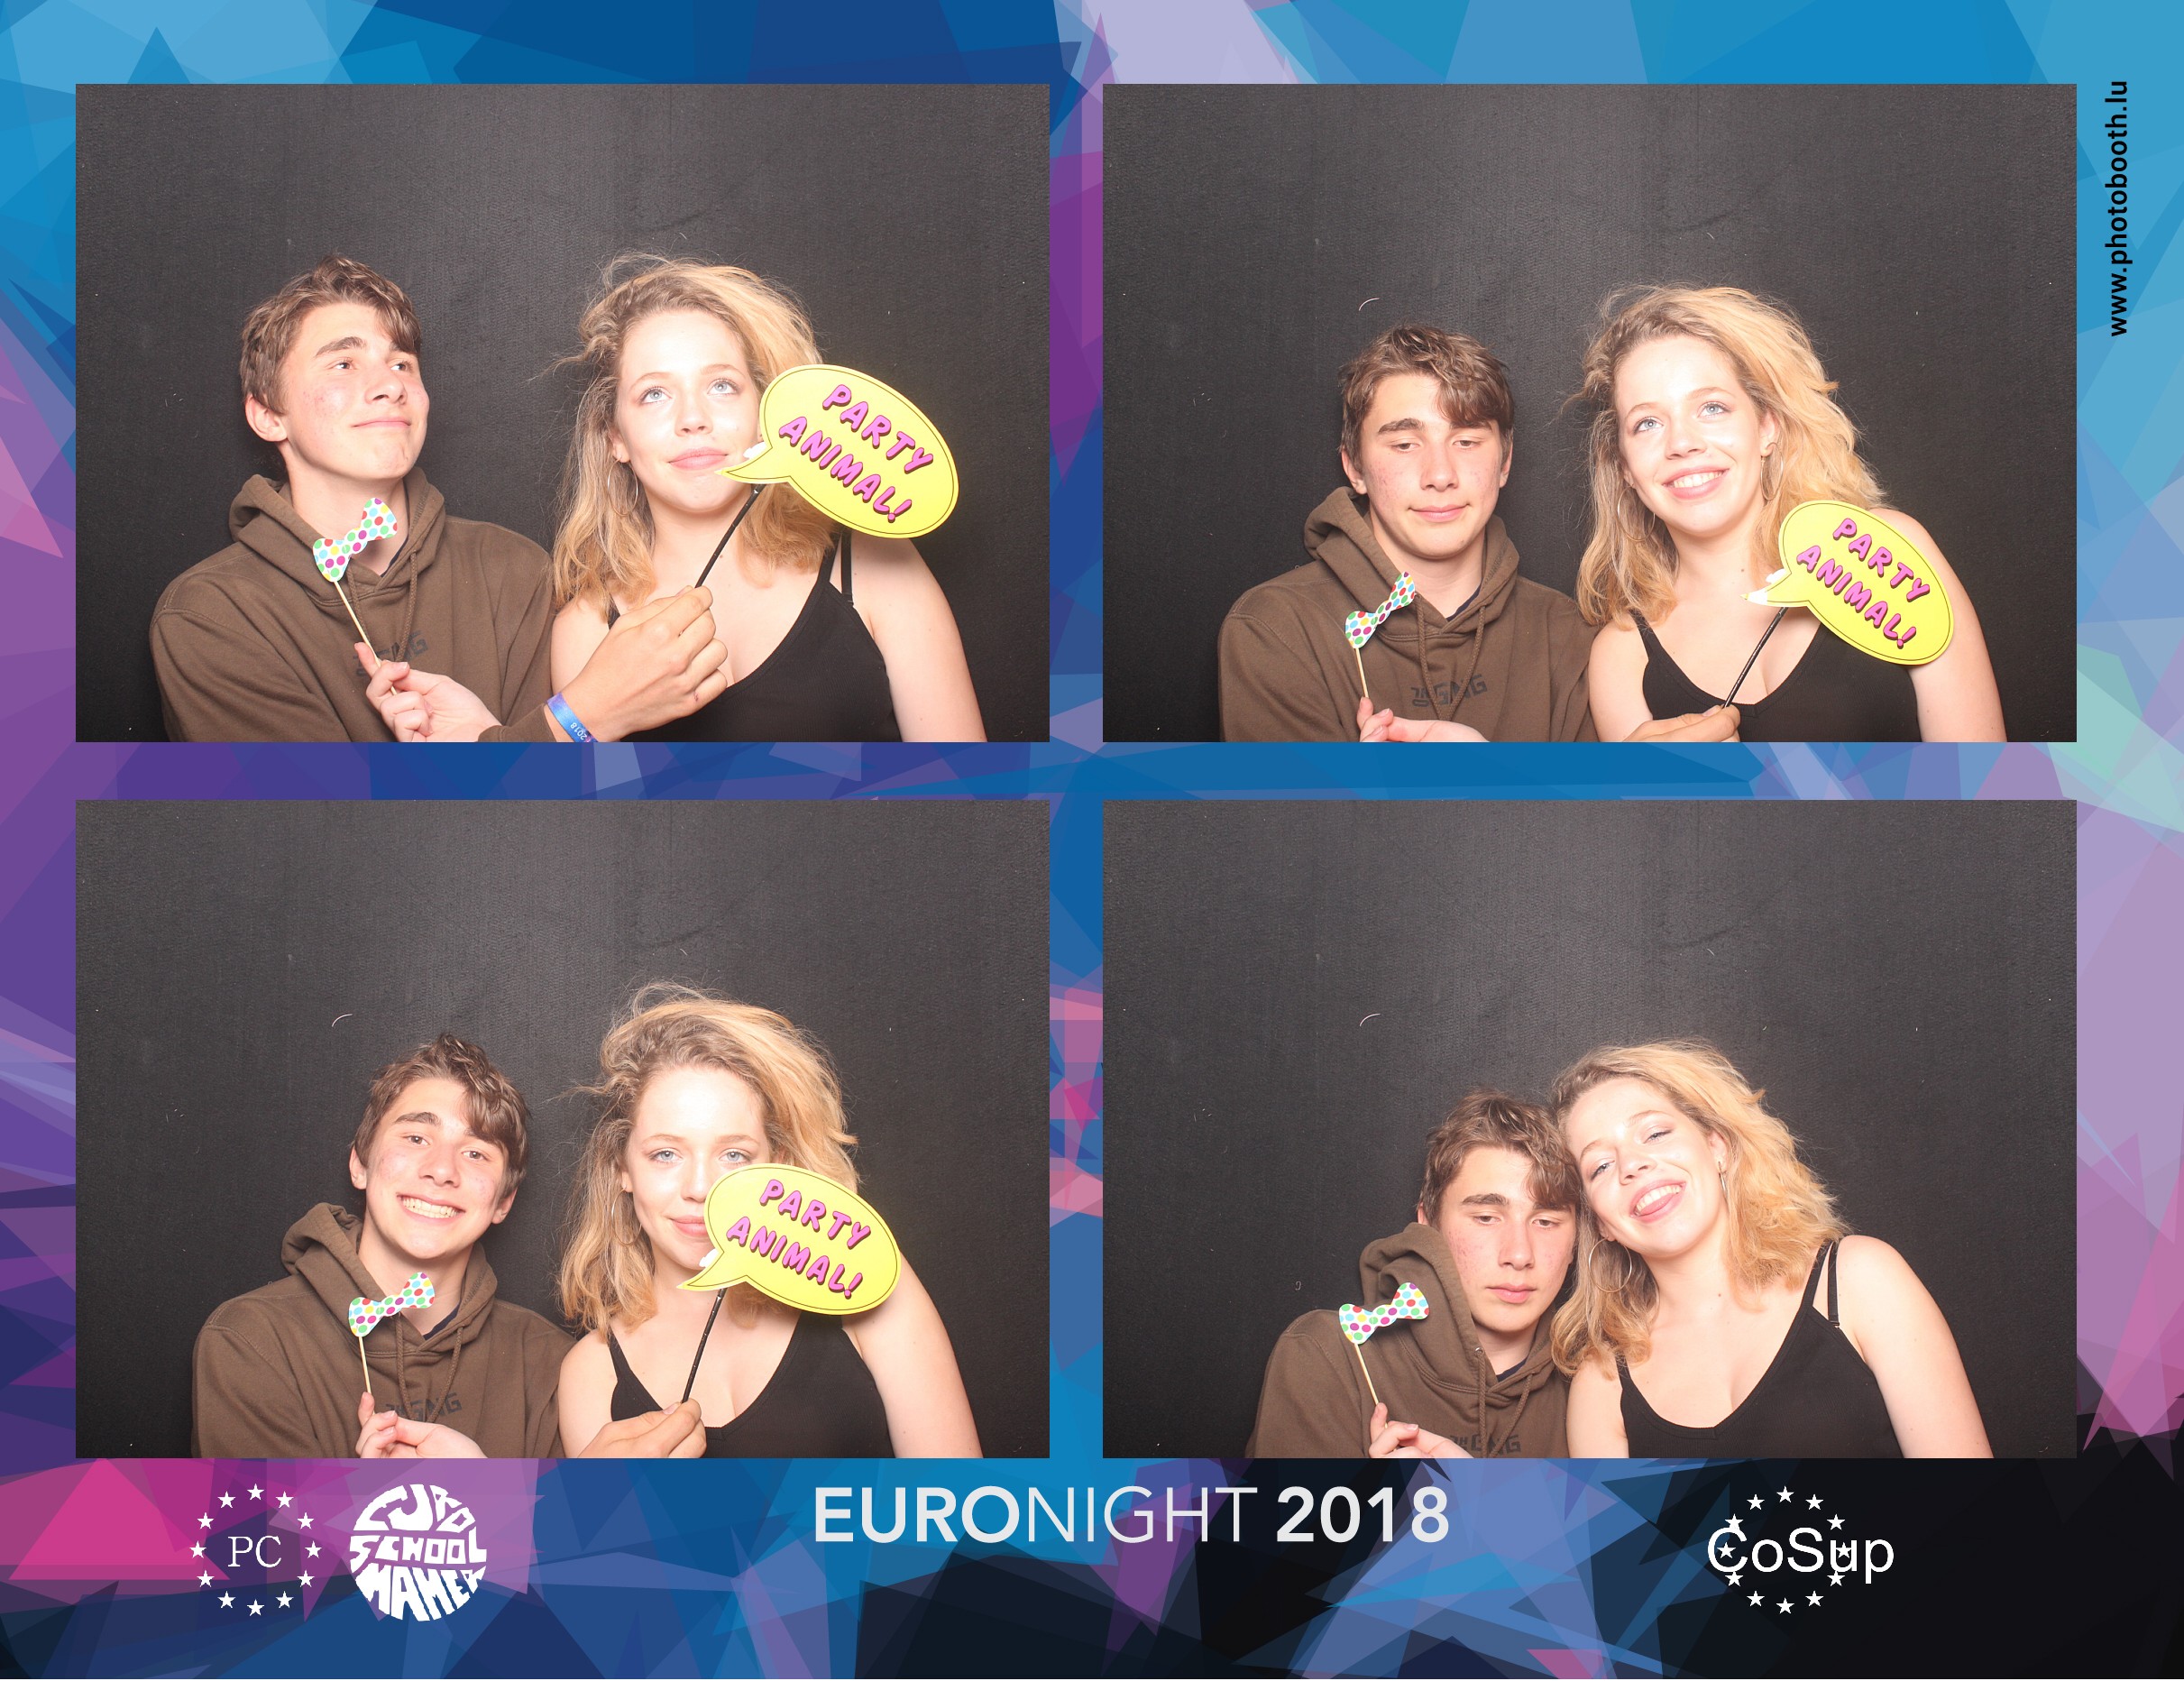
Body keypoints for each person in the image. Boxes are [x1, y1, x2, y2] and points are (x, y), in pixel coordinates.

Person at [368, 258, 985, 743]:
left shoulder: (871, 564)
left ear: (764, 410)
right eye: (655, 394)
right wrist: (492, 743)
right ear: (615, 438)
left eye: (722, 386)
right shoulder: (586, 628)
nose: (693, 418)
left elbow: (970, 798)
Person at [150, 255, 731, 744]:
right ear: (268, 415)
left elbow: (552, 814)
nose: (390, 384)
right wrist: (583, 716)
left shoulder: (513, 570)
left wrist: (484, 743)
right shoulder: (210, 616)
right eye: (344, 364)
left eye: (401, 363)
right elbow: (310, 833)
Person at [555, 987, 980, 1457]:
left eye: (734, 1154)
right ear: (622, 1169)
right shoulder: (591, 1373)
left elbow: (958, 1500)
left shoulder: (863, 1280)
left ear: (776, 1164)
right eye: (666, 1154)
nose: (700, 1187)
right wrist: (602, 1500)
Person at [1573, 286, 2005, 742]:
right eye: (1647, 423)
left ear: (1767, 428)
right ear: (1625, 467)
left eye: (1712, 408)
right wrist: (1647, 783)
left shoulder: (1885, 552)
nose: (1681, 442)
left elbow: (1989, 781)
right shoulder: (1620, 658)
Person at [1551, 1041, 1992, 1457]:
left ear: (1717, 1147)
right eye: (1601, 1166)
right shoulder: (1602, 1382)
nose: (1632, 1165)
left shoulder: (1859, 1280)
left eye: (1655, 1133)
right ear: (1599, 1222)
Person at [190, 1033, 570, 1456]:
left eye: (476, 1153)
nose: (442, 1170)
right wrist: (361, 1493)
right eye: (416, 1138)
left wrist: (485, 1488)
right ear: (360, 1163)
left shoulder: (552, 1364)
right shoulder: (251, 1340)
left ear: (503, 1201)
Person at [1217, 324, 1594, 743]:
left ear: (1505, 462)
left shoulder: (1568, 634)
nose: (1440, 475)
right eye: (1404, 445)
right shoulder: (1275, 630)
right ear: (1355, 467)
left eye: (1466, 441)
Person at [1246, 1090, 1579, 1457]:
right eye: (1486, 1218)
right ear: (1428, 1223)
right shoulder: (1327, 1356)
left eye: (1546, 1222)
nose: (1519, 1255)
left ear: (1577, 1239)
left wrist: (1470, 1493)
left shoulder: (1602, 1378)